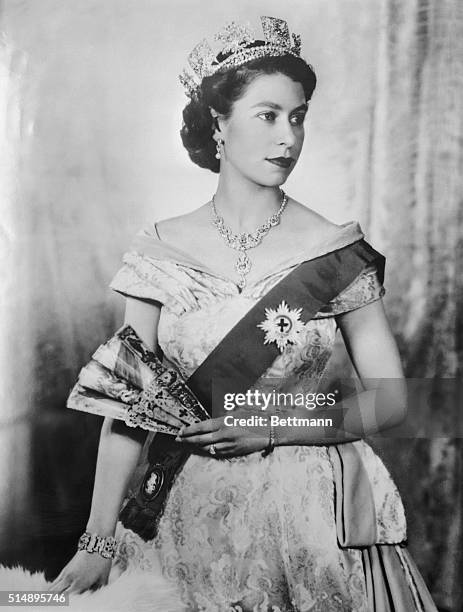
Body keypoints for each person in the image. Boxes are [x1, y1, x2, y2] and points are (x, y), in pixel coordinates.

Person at [50, 16, 438, 611]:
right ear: (218, 122)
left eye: (299, 115)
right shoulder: (160, 249)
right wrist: (98, 540)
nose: (289, 136)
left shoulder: (334, 252)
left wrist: (272, 426)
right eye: (268, 114)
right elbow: (128, 409)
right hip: (181, 510)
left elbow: (391, 401)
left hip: (309, 514)